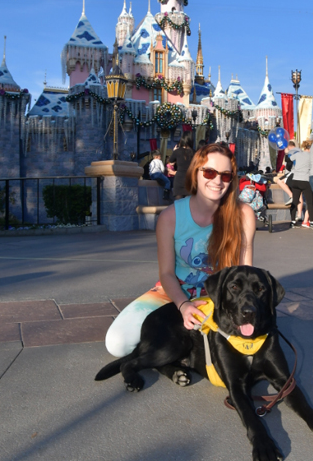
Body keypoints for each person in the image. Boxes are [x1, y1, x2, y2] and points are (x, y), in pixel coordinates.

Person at [104, 142, 257, 357]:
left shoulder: (243, 214)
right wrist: (183, 305)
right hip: (174, 293)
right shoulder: (170, 217)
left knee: (245, 349)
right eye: (210, 172)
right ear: (196, 173)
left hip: (221, 299)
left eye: (225, 175)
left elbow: (245, 272)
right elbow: (166, 273)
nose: (217, 181)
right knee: (117, 343)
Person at [287, 139, 313, 229]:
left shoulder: (297, 154)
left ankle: (292, 221)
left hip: (296, 179)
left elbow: (289, 159)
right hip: (305, 180)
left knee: (295, 201)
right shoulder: (312, 156)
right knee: (309, 202)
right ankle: (312, 221)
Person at [168, 132, 195, 201]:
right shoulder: (194, 152)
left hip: (179, 179)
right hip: (189, 179)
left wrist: (174, 151)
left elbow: (171, 161)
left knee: (178, 205)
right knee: (189, 205)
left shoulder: (177, 151)